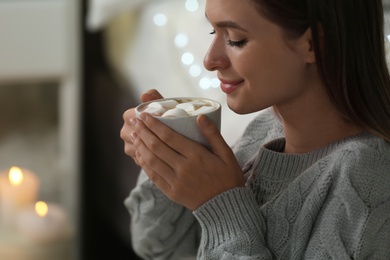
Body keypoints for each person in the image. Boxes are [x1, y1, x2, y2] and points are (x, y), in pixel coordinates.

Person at [120, 0, 390, 259]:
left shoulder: (368, 180)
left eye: (236, 39)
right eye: (214, 31)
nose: (210, 60)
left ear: (314, 44)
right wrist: (164, 158)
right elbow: (158, 247)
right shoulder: (264, 130)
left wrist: (222, 207)